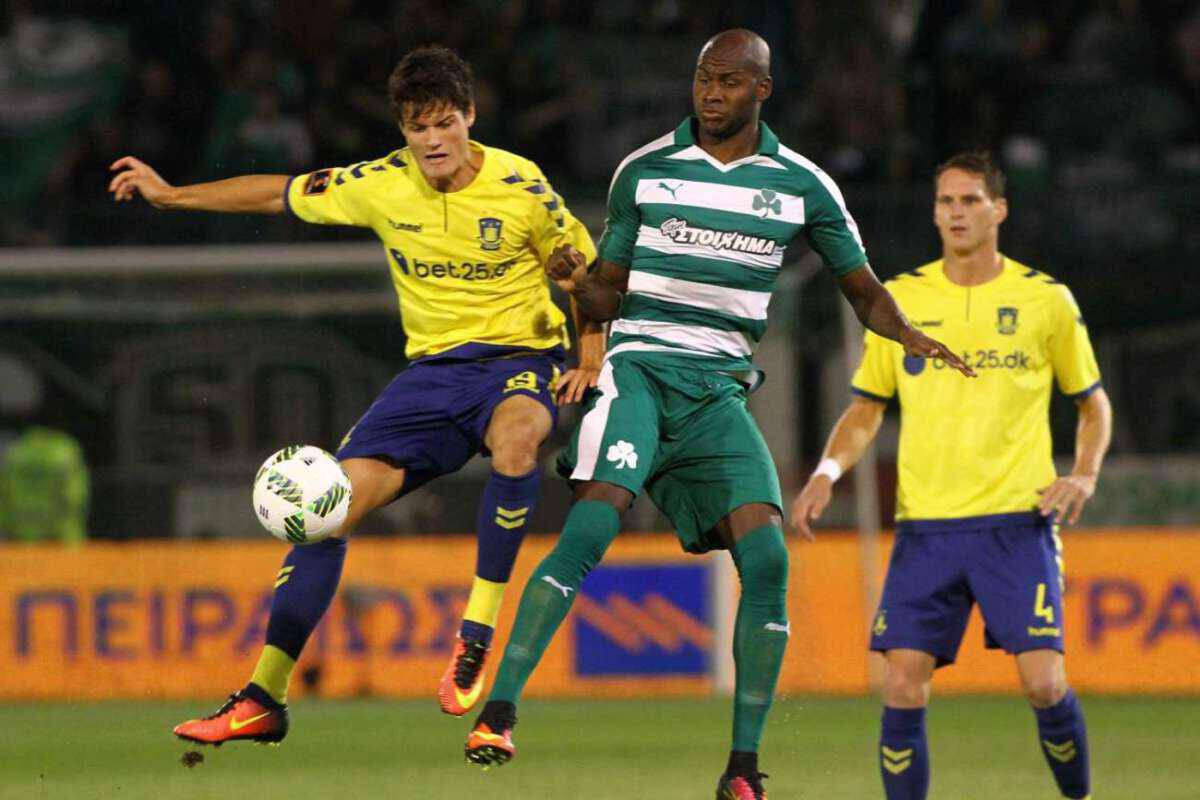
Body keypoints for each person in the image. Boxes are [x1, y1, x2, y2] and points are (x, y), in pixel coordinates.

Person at [461, 29, 973, 800]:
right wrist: (579, 286)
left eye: (730, 81)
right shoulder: (646, 169)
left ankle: (741, 770)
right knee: (596, 519)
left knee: (767, 559)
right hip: (637, 370)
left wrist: (911, 334)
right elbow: (609, 290)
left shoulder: (804, 186)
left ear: (762, 90)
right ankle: (498, 711)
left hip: (718, 392)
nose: (711, 93)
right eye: (703, 78)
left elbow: (860, 290)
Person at [109, 45, 604, 744]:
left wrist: (589, 352)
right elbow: (276, 191)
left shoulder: (522, 188)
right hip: (430, 377)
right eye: (415, 126)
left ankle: (477, 630)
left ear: (468, 116)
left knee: (517, 442)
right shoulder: (379, 182)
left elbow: (585, 278)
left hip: (518, 361)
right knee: (325, 510)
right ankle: (264, 697)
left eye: (442, 123)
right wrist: (171, 194)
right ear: (402, 128)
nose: (430, 140)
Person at [792, 151, 1111, 800]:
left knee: (1044, 684)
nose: (956, 213)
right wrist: (828, 469)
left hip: (1016, 526)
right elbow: (865, 407)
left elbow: (1092, 403)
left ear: (1000, 209)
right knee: (903, 685)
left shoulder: (1044, 300)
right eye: (945, 202)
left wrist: (1083, 474)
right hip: (926, 529)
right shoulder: (901, 301)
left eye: (969, 201)